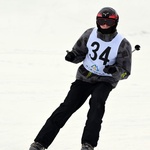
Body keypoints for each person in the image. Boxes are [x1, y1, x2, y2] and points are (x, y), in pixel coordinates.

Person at [29, 7, 132, 150]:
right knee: (67, 107)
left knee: (97, 104)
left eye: (109, 21)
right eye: (101, 20)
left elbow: (125, 72)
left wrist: (115, 71)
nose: (105, 24)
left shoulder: (123, 43)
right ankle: (40, 143)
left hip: (105, 81)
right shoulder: (89, 34)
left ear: (116, 22)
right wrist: (72, 56)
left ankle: (88, 144)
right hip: (85, 77)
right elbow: (79, 52)